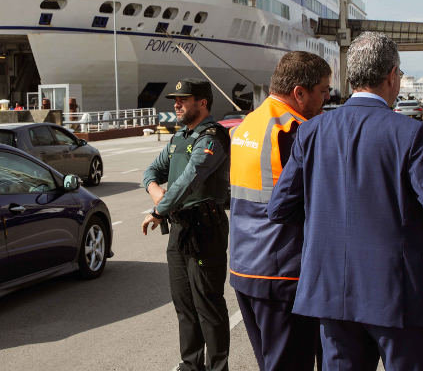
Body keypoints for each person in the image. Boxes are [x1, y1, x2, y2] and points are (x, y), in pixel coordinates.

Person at [267, 32, 423, 371]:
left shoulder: (312, 132)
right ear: (391, 76)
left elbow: (279, 208)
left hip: (331, 293)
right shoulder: (410, 133)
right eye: (399, 75)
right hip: (399, 295)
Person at [229, 51, 330, 371]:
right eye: (324, 91)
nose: (327, 99)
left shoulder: (248, 124)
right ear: (299, 92)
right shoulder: (294, 129)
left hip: (246, 266)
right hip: (283, 270)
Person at [141, 78, 231, 371]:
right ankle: (191, 365)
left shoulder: (213, 138)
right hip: (180, 229)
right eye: (175, 101)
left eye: (183, 99)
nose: (176, 105)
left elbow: (189, 180)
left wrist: (159, 210)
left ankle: (218, 367)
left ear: (202, 103)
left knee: (208, 306)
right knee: (184, 305)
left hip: (206, 229)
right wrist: (155, 190)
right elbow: (152, 171)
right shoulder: (179, 138)